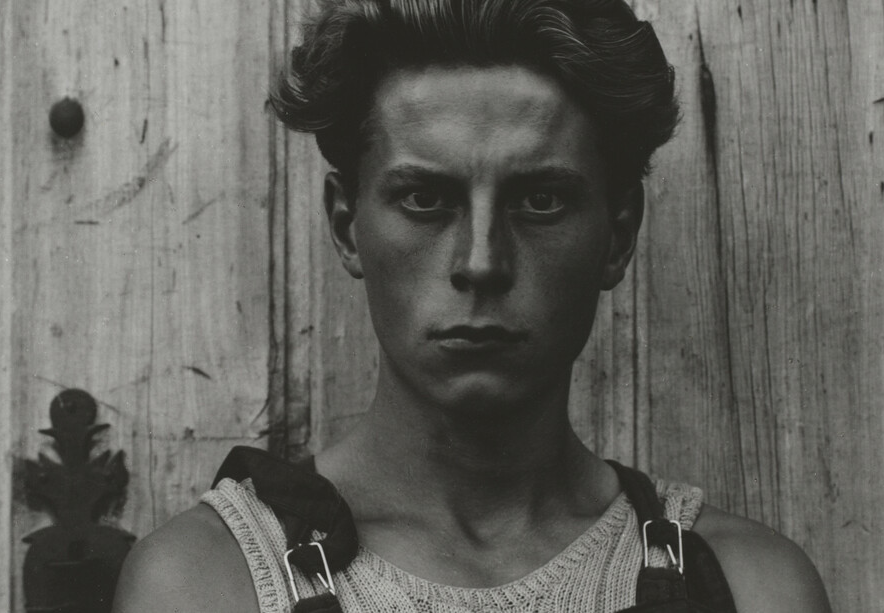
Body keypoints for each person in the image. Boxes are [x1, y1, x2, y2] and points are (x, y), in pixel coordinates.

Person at [114, 1, 833, 611]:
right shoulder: (213, 581)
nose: (481, 261)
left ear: (617, 235)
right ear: (345, 226)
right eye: (425, 199)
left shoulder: (748, 586)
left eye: (541, 200)